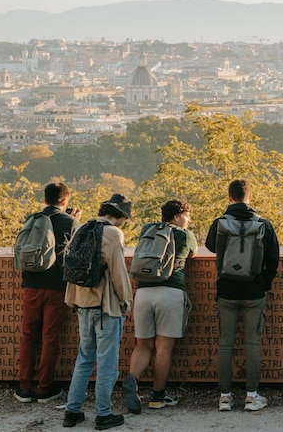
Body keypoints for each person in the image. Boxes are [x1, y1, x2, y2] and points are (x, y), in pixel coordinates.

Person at [204, 179, 279, 412]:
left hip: (226, 290)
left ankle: (225, 397)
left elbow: (211, 247)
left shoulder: (219, 223)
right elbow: (273, 259)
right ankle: (251, 396)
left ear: (229, 197)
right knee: (252, 343)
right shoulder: (263, 224)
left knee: (225, 344)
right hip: (254, 292)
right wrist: (263, 284)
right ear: (251, 196)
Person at [62, 193, 134, 430]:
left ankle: (72, 411)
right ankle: (103, 414)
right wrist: (126, 300)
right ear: (121, 215)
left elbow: (72, 265)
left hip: (83, 304)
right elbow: (118, 272)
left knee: (84, 359)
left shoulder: (84, 228)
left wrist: (71, 299)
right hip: (105, 308)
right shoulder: (113, 234)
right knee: (107, 363)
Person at [122, 198, 199, 414]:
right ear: (177, 216)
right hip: (171, 292)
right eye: (187, 215)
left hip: (144, 292)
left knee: (143, 344)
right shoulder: (185, 234)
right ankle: (157, 396)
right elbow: (192, 254)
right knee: (164, 347)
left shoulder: (148, 229)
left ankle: (133, 381)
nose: (189, 219)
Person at [14, 182, 79, 404]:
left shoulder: (33, 219)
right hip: (56, 287)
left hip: (30, 283)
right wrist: (73, 219)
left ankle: (24, 388)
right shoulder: (70, 222)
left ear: (44, 199)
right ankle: (44, 389)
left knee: (28, 335)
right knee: (49, 337)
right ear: (64, 201)